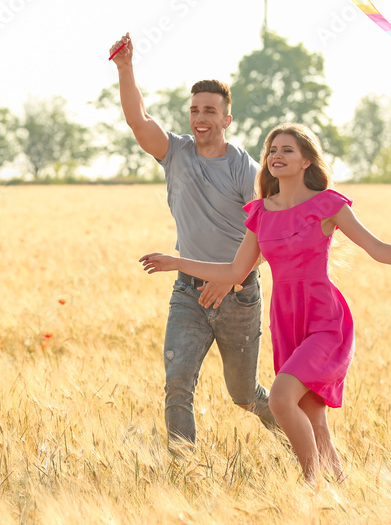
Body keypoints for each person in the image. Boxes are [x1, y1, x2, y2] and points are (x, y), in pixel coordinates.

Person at [139, 122, 391, 483]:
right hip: (286, 323)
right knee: (313, 417)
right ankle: (339, 493)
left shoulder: (328, 204)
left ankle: (310, 487)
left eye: (287, 150)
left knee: (281, 399)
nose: (276, 156)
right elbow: (237, 271)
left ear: (306, 162)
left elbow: (375, 247)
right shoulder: (260, 213)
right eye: (272, 150)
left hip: (325, 320)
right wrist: (176, 262)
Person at [108, 32, 277, 449]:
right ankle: (185, 472)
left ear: (226, 120)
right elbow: (139, 120)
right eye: (195, 109)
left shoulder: (243, 168)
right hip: (187, 291)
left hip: (239, 296)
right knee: (177, 382)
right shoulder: (176, 154)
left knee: (244, 395)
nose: (200, 117)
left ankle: (299, 443)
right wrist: (125, 68)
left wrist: (233, 277)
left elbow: (268, 235)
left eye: (210, 111)